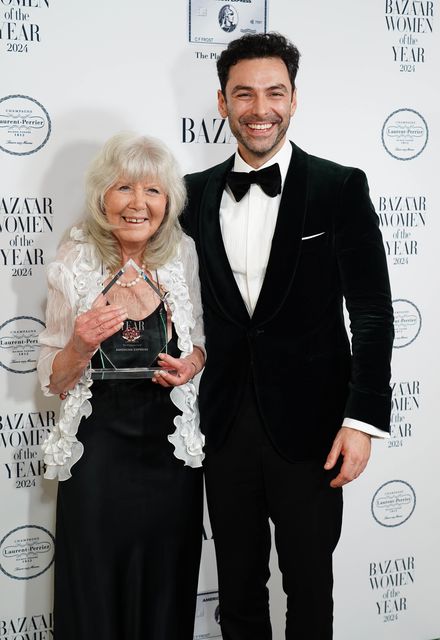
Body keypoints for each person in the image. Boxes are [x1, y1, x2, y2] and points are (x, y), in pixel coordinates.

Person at [182, 32, 394, 639]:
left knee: (309, 589)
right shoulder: (191, 194)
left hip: (314, 430)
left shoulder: (339, 187)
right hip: (222, 426)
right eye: (243, 93)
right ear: (221, 102)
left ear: (294, 100)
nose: (260, 108)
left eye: (275, 92)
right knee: (239, 592)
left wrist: (362, 421)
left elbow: (374, 315)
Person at [38, 132, 206, 640]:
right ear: (102, 196)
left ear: (168, 201)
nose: (138, 204)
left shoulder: (184, 254)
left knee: (165, 584)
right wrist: (79, 346)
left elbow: (199, 342)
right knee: (93, 584)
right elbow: (53, 375)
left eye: (153, 191)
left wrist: (192, 363)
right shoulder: (75, 257)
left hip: (169, 451)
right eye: (124, 188)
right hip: (97, 450)